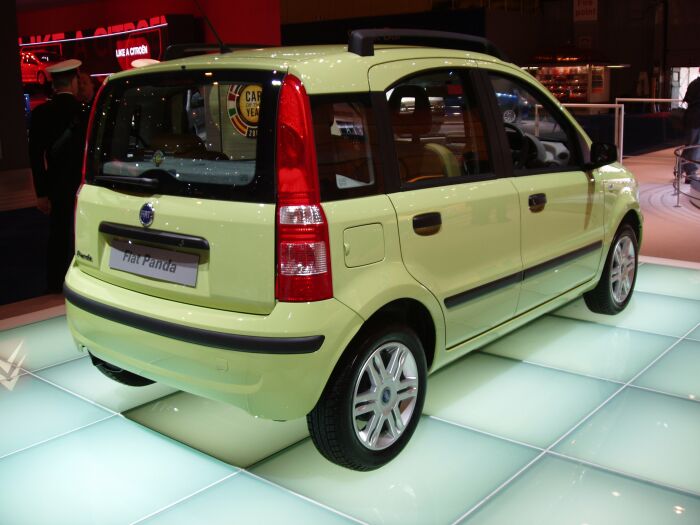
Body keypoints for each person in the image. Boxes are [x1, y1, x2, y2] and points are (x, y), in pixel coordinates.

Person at [28, 59, 90, 294]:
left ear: (53, 83)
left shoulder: (41, 113)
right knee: (81, 234)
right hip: (82, 185)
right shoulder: (83, 112)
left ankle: (55, 285)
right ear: (74, 81)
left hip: (55, 186)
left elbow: (35, 156)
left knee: (57, 236)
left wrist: (41, 193)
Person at [682, 72, 700, 181]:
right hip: (697, 119)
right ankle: (690, 173)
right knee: (695, 146)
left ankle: (680, 167)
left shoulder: (693, 83)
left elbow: (687, 100)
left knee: (690, 145)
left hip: (691, 117)